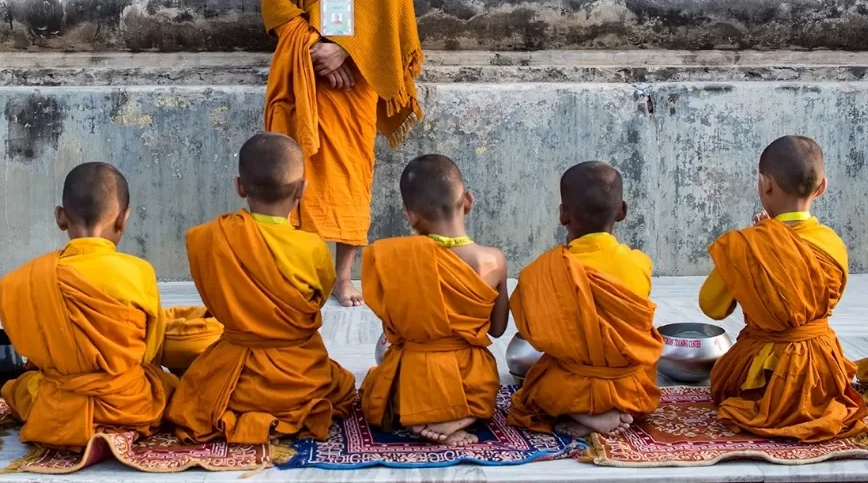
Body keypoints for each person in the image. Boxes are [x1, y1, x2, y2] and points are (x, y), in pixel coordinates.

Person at [262, 0, 424, 307]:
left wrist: (346, 52)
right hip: (306, 73)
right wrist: (316, 48)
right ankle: (298, 268)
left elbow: (390, 14)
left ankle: (343, 276)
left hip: (356, 77)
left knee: (353, 174)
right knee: (297, 172)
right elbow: (276, 6)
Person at [167, 133, 355, 444]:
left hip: (234, 379)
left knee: (194, 389)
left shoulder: (211, 238)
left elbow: (214, 301)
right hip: (302, 377)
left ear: (239, 186)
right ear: (303, 190)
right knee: (342, 386)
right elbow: (317, 300)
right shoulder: (312, 248)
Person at [0, 163, 194, 449]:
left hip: (56, 403)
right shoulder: (138, 272)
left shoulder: (20, 281)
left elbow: (30, 350)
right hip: (128, 403)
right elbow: (149, 351)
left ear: (60, 218)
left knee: (17, 389)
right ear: (123, 219)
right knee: (168, 386)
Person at [701, 136, 867, 440]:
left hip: (760, 380)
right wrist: (768, 237)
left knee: (723, 381)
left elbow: (711, 307)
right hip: (821, 375)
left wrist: (755, 245)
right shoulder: (833, 244)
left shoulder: (747, 245)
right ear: (822, 187)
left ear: (765, 184)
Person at [507, 162, 662, 438]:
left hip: (569, 389)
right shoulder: (639, 264)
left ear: (563, 214)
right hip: (631, 390)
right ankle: (608, 411)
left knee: (535, 392)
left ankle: (583, 414)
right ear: (623, 211)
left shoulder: (540, 273)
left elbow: (533, 334)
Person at [360, 155, 508, 445]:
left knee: (384, 368)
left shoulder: (393, 257)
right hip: (468, 383)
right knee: (485, 381)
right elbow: (497, 329)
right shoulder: (493, 260)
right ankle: (462, 415)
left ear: (410, 215)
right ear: (468, 201)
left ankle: (421, 414)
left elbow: (394, 326)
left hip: (411, 382)